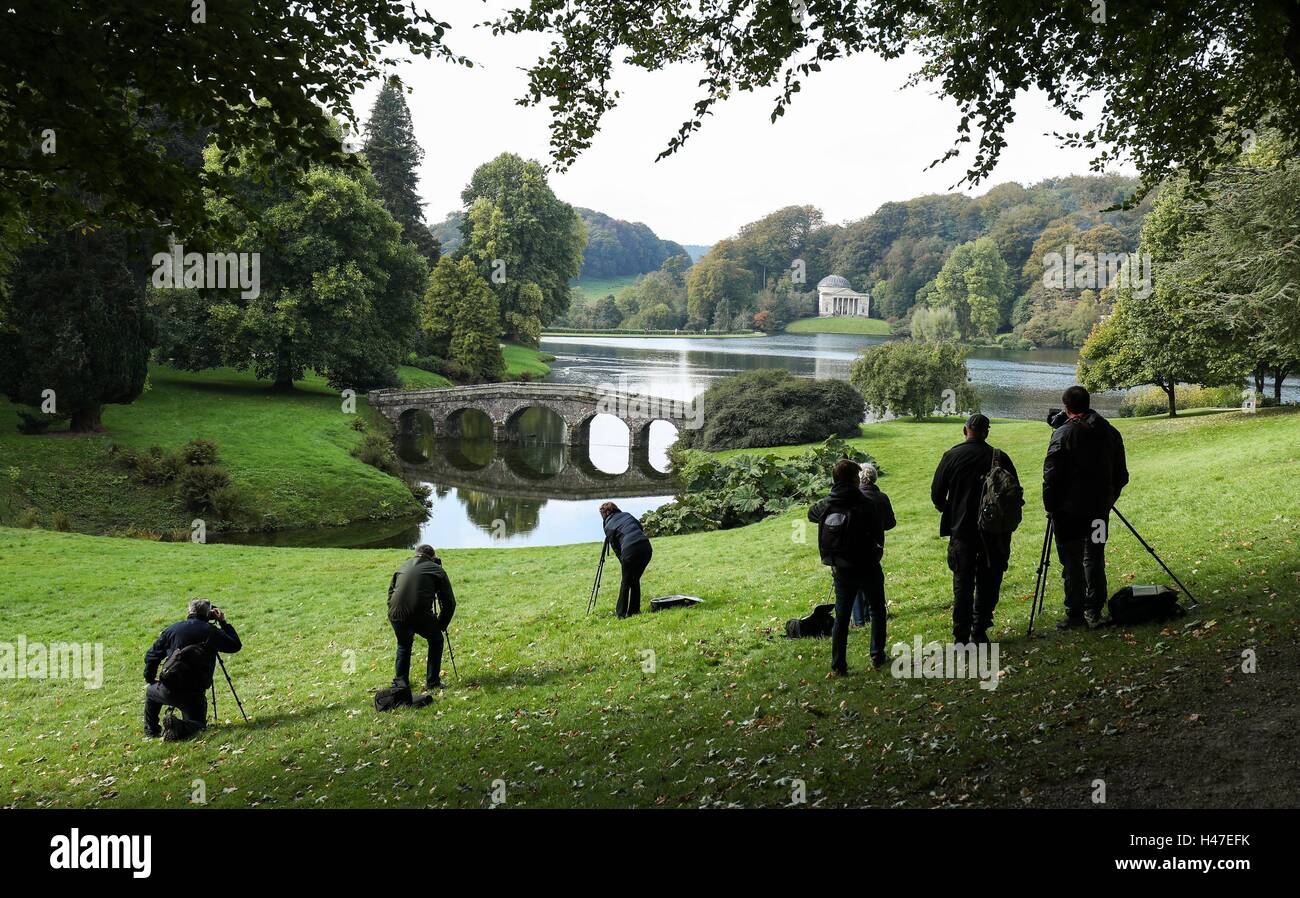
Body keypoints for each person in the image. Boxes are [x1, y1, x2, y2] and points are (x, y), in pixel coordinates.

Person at [1043, 385, 1129, 629]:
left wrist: (1051, 505)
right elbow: (1121, 475)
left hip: (1069, 513)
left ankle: (1076, 614)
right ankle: (1095, 609)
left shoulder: (1063, 434)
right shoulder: (1109, 431)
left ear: (1066, 407)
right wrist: (1108, 499)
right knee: (1095, 556)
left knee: (1072, 560)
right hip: (1100, 510)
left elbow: (1051, 474)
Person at [931, 414, 1019, 644]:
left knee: (963, 582)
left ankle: (961, 634)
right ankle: (979, 629)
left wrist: (951, 511)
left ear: (965, 430)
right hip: (994, 531)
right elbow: (1014, 496)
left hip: (962, 531)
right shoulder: (1000, 458)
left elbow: (937, 495)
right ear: (986, 432)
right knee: (989, 581)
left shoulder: (951, 456)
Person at [808, 458, 887, 674]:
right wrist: (878, 551)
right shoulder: (864, 503)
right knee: (878, 609)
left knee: (842, 617)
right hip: (868, 564)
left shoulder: (827, 504)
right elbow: (878, 531)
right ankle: (877, 655)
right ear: (854, 479)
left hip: (841, 566)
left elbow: (811, 514)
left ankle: (838, 665)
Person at [143, 598, 242, 739]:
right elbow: (235, 645)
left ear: (189, 612)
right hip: (193, 695)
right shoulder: (211, 631)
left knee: (150, 692)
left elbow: (151, 656)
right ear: (209, 615)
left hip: (167, 688)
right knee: (199, 726)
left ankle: (151, 731)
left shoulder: (172, 630)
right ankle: (179, 726)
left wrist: (151, 678)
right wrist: (223, 622)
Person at [388, 544, 456, 692]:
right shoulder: (437, 570)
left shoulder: (402, 567)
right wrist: (441, 625)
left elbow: (390, 593)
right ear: (433, 557)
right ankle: (432, 682)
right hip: (419, 614)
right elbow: (449, 603)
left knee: (403, 645)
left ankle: (400, 684)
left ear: (416, 554)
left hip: (395, 614)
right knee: (436, 640)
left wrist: (392, 611)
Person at [852, 463, 895, 627]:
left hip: (854, 545)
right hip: (875, 546)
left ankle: (859, 619)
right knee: (872, 579)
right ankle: (873, 614)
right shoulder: (881, 497)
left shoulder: (853, 498)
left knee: (856, 581)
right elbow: (890, 523)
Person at [599, 502, 653, 618]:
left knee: (626, 582)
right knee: (634, 579)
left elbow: (616, 549)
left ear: (606, 513)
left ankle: (621, 613)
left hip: (629, 549)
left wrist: (623, 561)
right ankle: (634, 611)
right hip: (646, 547)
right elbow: (640, 527)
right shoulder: (627, 515)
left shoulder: (608, 526)